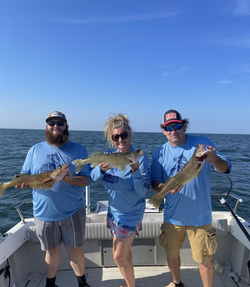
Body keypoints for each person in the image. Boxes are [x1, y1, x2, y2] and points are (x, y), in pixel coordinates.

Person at [151, 109, 231, 287]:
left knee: (204, 258)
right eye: (168, 127)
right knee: (171, 253)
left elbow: (225, 168)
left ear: (184, 126)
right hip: (172, 216)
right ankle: (176, 283)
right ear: (163, 130)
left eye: (177, 126)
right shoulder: (159, 153)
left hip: (200, 215)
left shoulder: (203, 144)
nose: (173, 131)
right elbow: (154, 182)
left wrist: (214, 159)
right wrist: (163, 189)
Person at [17, 111, 91, 287]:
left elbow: (86, 179)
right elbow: (25, 175)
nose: (55, 126)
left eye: (60, 123)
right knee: (51, 251)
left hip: (73, 211)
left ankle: (82, 283)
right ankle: (50, 284)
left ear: (66, 126)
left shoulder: (79, 150)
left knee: (75, 249)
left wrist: (71, 179)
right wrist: (23, 183)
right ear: (46, 127)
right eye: (51, 123)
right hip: (44, 213)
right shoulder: (35, 149)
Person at [90, 114, 151, 287]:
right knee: (125, 254)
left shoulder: (141, 160)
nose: (120, 140)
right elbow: (94, 177)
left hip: (130, 214)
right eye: (116, 137)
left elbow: (142, 191)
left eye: (123, 135)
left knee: (118, 257)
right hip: (113, 213)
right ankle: (128, 281)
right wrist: (101, 170)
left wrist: (135, 169)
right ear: (112, 139)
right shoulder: (108, 155)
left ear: (130, 135)